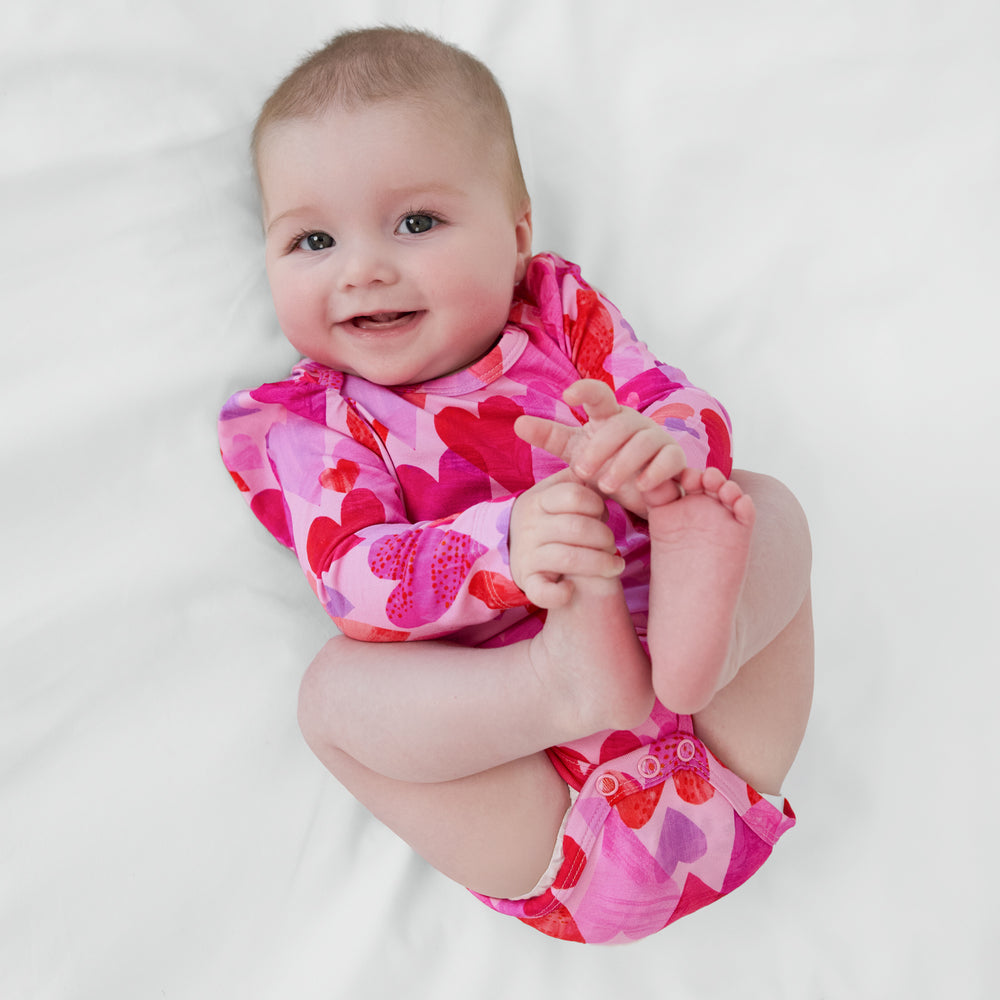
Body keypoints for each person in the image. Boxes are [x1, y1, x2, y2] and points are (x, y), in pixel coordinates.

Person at [219, 26, 813, 944]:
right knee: (333, 694)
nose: (362, 266)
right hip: (544, 815)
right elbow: (352, 576)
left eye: (416, 223)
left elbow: (669, 397)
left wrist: (663, 452)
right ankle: (557, 681)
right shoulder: (314, 420)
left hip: (719, 724)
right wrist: (502, 550)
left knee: (765, 502)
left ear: (519, 235)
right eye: (312, 239)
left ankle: (715, 635)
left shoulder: (560, 316)